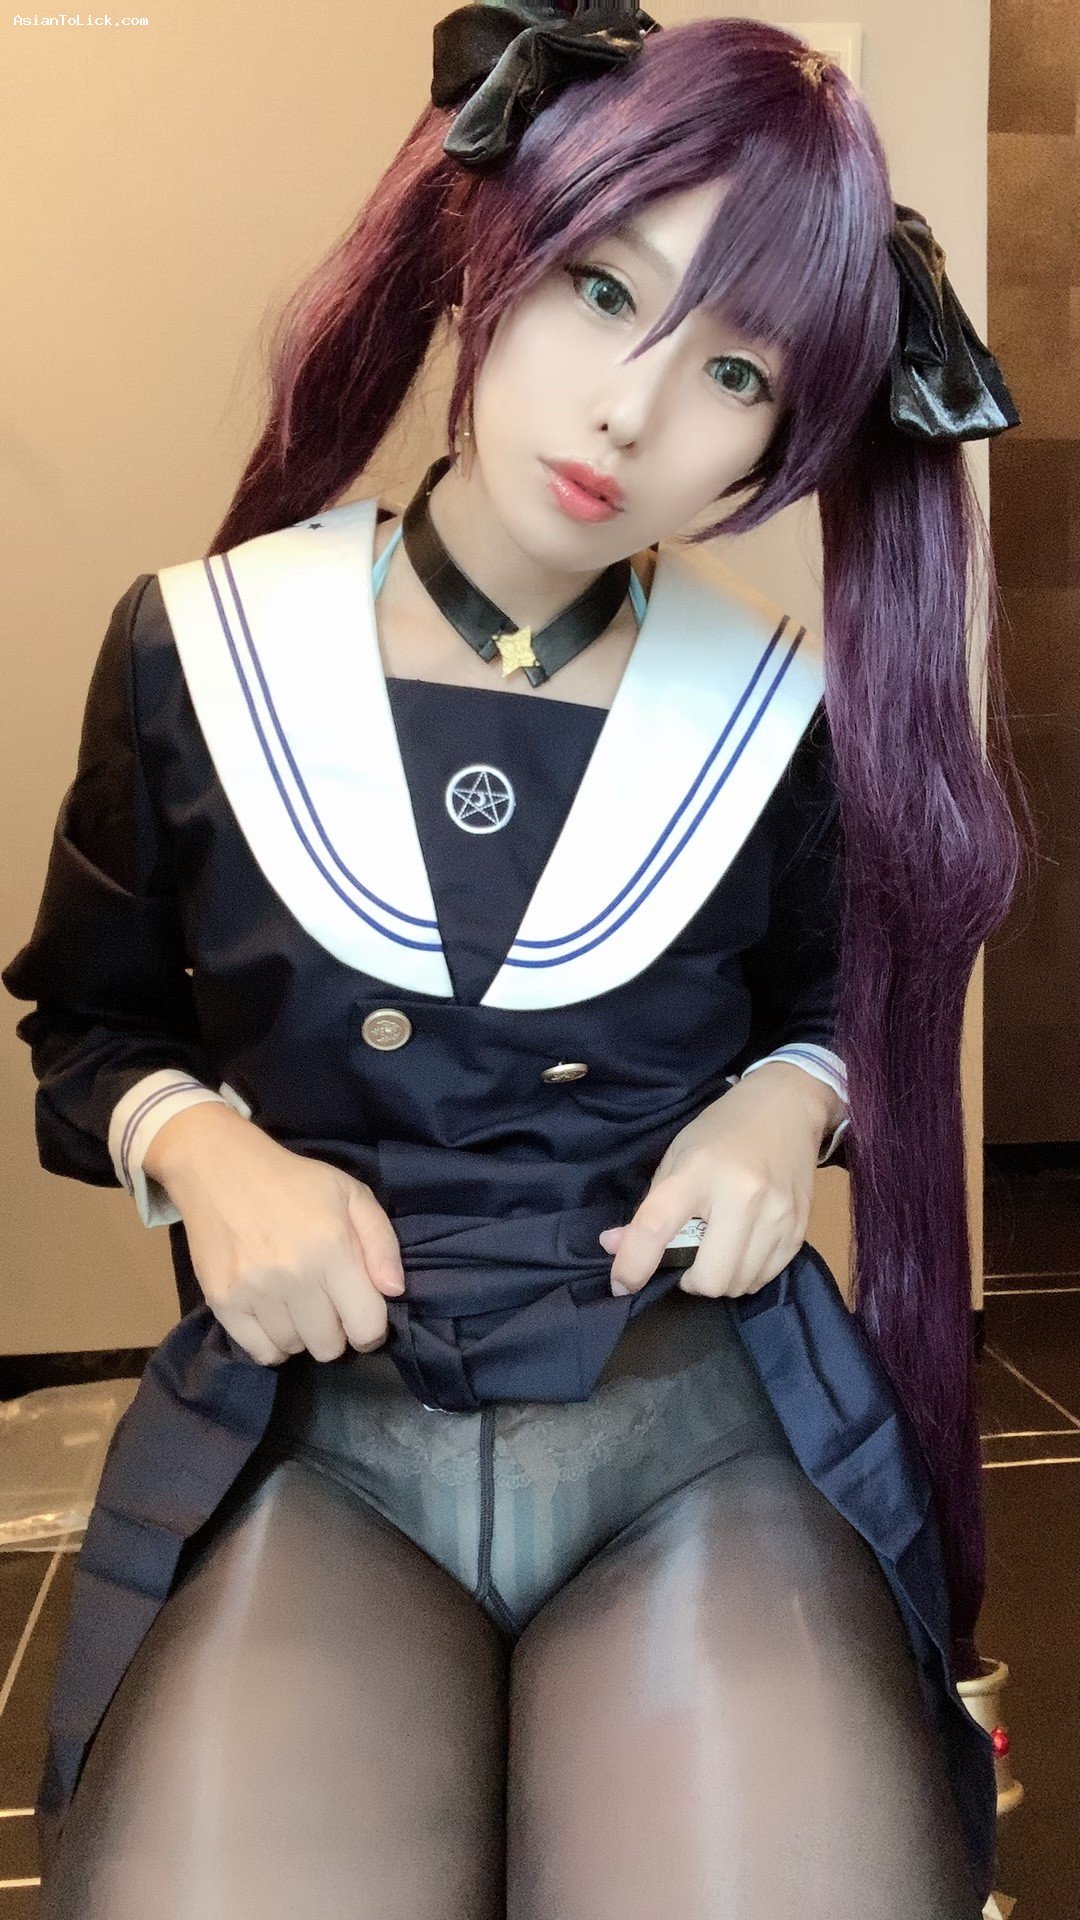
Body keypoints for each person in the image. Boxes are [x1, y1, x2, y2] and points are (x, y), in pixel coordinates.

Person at [2, 6, 1026, 1916]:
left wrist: (784, 1105)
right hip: (316, 1435)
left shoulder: (777, 713)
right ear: (495, 246)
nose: (635, 409)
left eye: (736, 370)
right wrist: (207, 1154)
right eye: (601, 287)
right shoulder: (200, 648)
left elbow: (833, 1007)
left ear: (789, 433)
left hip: (700, 1425)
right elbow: (91, 1020)